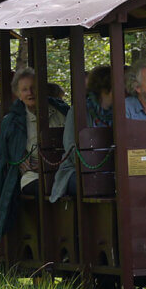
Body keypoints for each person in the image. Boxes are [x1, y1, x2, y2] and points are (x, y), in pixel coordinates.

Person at [0, 67, 66, 237]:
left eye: (34, 87)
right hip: (31, 176)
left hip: (63, 171)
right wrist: (20, 161)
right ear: (18, 94)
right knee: (47, 187)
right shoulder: (12, 121)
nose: (30, 92)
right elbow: (3, 158)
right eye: (25, 89)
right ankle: (51, 240)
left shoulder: (61, 111)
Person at [50, 65, 114, 202]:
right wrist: (100, 166)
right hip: (76, 171)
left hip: (112, 171)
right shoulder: (79, 111)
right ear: (105, 88)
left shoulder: (120, 111)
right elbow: (71, 148)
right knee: (98, 183)